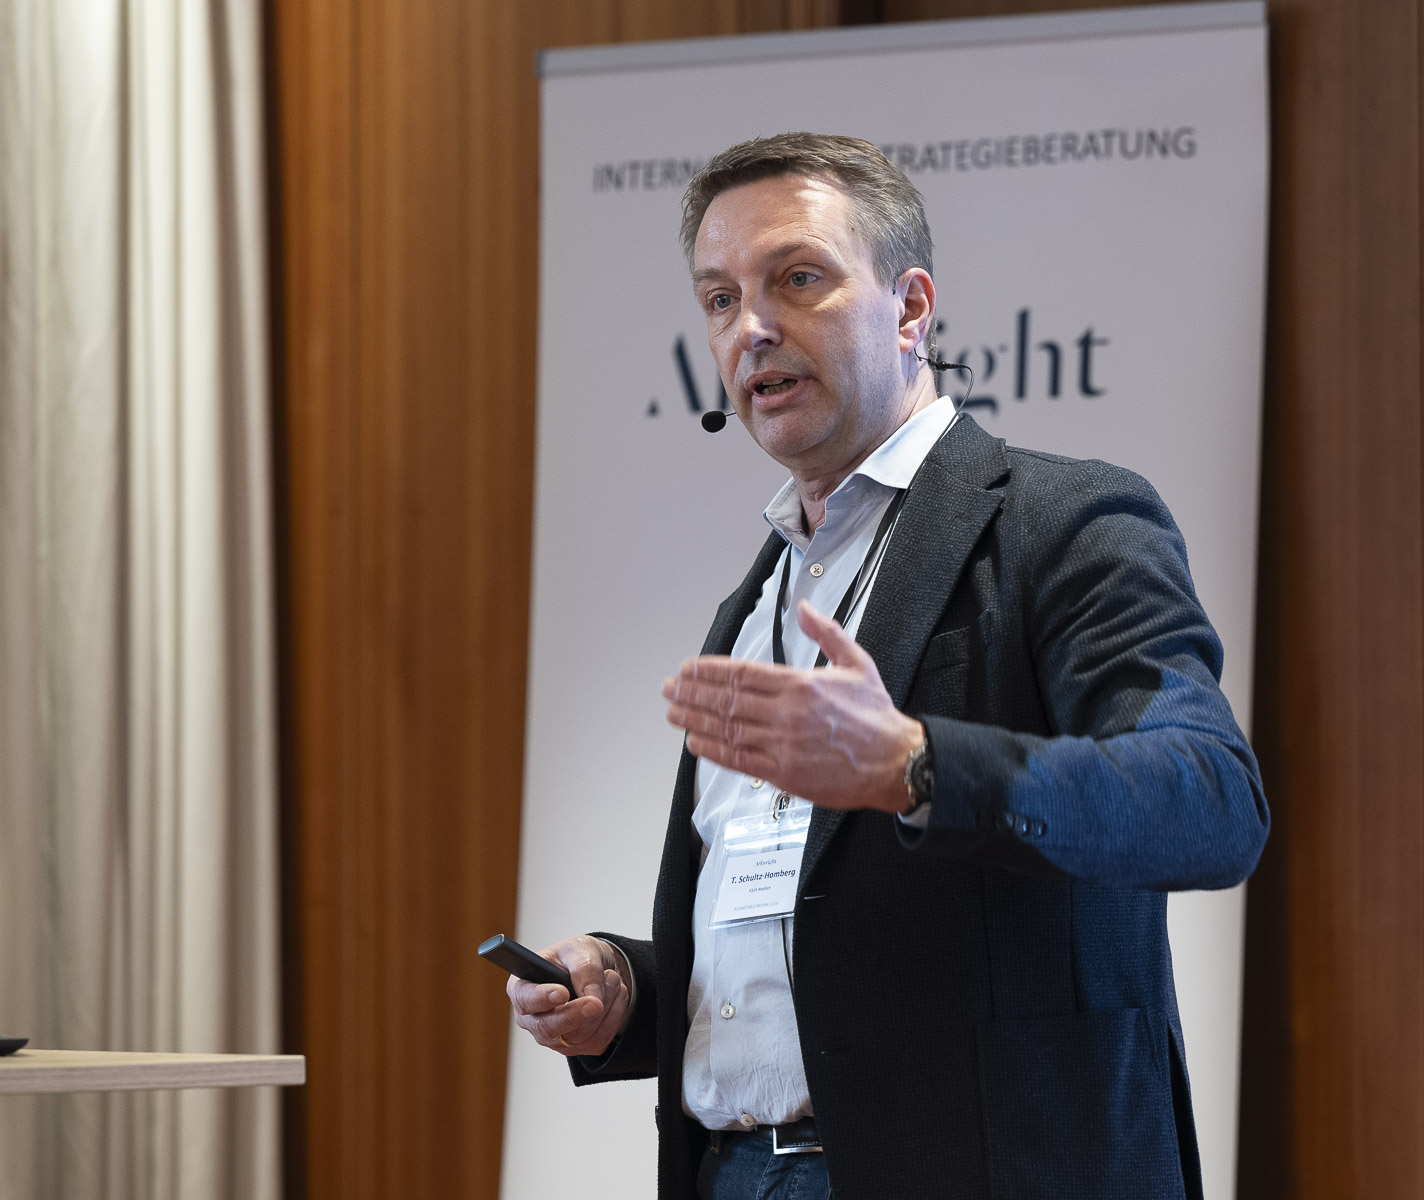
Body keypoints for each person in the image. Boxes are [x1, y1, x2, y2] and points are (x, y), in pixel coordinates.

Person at [504, 132, 1268, 1200]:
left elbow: (1211, 805)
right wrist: (632, 987)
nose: (751, 327)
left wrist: (917, 763)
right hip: (732, 1172)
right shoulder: (756, 601)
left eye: (797, 279)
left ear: (910, 310)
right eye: (720, 299)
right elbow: (813, 937)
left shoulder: (1063, 523)